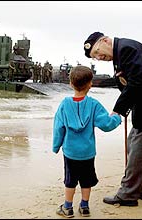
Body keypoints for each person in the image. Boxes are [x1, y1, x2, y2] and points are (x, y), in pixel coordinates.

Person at [83, 32, 142, 206]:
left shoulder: (126, 49)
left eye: (97, 52)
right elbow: (128, 82)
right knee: (133, 144)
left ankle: (128, 194)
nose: (99, 57)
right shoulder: (120, 53)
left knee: (138, 148)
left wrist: (117, 110)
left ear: (105, 40)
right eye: (95, 57)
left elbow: (136, 81)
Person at [53, 65, 122, 218]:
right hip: (87, 152)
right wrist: (117, 118)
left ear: (71, 83)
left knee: (70, 180)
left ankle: (67, 207)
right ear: (90, 84)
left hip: (70, 152)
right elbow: (106, 124)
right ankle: (84, 206)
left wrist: (56, 145)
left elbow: (59, 127)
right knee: (86, 180)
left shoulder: (64, 104)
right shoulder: (93, 104)